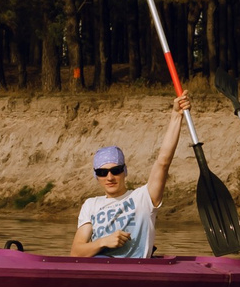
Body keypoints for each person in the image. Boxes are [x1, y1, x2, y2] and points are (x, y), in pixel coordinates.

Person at [68, 104, 180, 258]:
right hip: (99, 270)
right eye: (102, 172)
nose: (110, 177)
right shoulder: (90, 205)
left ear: (124, 171)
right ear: (96, 176)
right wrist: (104, 242)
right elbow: (76, 252)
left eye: (115, 171)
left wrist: (176, 116)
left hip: (133, 273)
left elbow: (163, 162)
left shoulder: (143, 198)